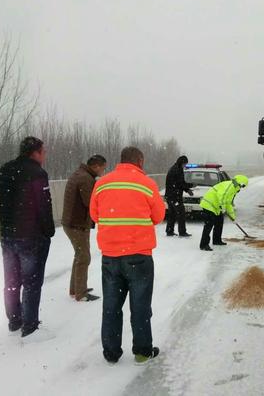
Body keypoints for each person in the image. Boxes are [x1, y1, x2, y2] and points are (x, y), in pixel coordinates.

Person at [89, 146, 165, 364]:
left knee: (111, 306)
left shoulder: (101, 184)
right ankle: (142, 351)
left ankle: (111, 352)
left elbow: (94, 214)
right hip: (139, 256)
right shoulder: (148, 184)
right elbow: (158, 216)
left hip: (110, 256)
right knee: (140, 306)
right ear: (139, 161)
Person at [0, 136, 55, 338]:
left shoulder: (5, 169)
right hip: (30, 237)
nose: (45, 155)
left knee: (11, 280)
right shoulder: (37, 173)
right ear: (35, 153)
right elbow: (43, 206)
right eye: (43, 151)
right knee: (31, 282)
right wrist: (49, 231)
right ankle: (29, 327)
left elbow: (3, 202)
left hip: (8, 235)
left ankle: (14, 320)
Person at [62, 154, 107, 302]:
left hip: (74, 223)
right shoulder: (86, 179)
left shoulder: (80, 174)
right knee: (83, 257)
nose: (103, 172)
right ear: (96, 166)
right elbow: (91, 203)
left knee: (79, 255)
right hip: (77, 224)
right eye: (103, 168)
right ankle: (80, 293)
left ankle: (76, 288)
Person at [199, 175, 249, 251]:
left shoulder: (233, 189)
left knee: (219, 222)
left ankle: (217, 240)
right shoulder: (230, 185)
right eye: (243, 186)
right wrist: (222, 207)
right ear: (240, 183)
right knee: (208, 225)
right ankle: (204, 245)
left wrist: (233, 217)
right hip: (209, 205)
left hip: (216, 207)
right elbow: (221, 196)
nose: (242, 188)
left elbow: (228, 203)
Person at [164, 155, 194, 237]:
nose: (185, 166)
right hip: (175, 196)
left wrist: (187, 190)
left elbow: (178, 184)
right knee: (181, 214)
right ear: (182, 163)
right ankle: (182, 232)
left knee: (172, 214)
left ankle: (169, 231)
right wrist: (190, 186)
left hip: (170, 196)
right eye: (185, 164)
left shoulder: (174, 168)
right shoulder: (177, 170)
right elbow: (180, 184)